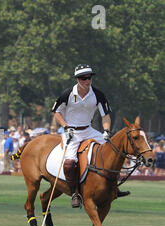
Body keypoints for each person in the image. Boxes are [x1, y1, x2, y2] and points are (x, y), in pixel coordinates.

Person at [52, 64, 129, 208]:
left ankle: (114, 188)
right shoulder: (67, 94)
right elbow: (56, 111)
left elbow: (105, 115)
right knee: (69, 164)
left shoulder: (98, 94)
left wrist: (106, 130)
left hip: (89, 130)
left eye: (89, 77)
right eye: (83, 78)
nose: (87, 81)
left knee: (113, 151)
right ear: (77, 79)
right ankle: (75, 193)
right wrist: (65, 127)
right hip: (72, 132)